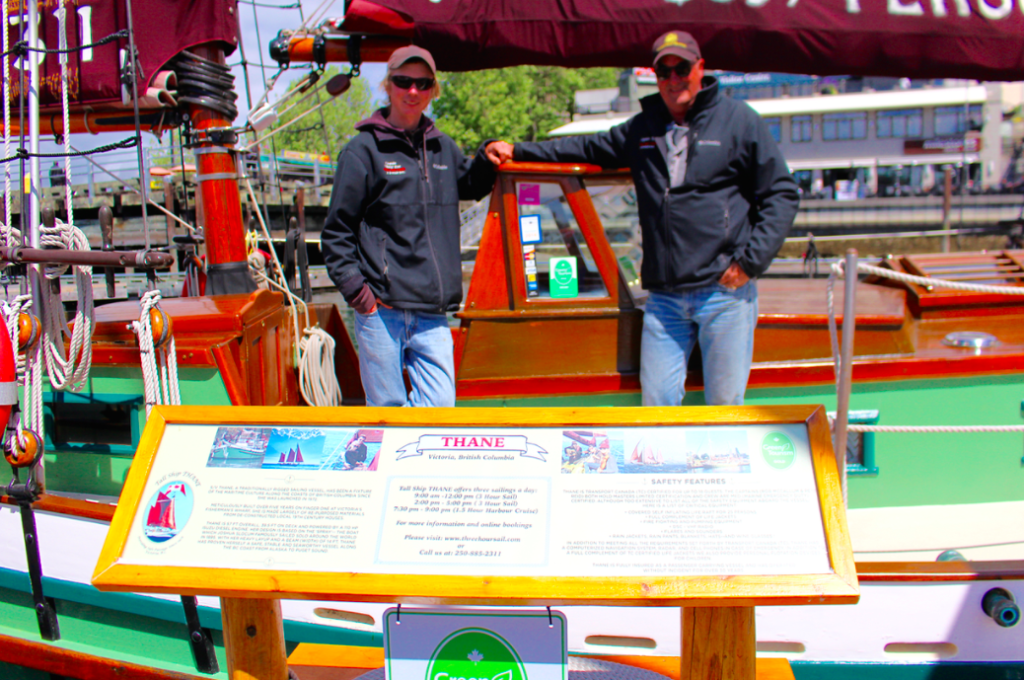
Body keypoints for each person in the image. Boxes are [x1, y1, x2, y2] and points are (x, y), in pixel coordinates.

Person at [485, 31, 799, 406]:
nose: (672, 79)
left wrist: (750, 263)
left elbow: (781, 193)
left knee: (725, 412)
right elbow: (585, 146)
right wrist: (516, 150)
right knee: (657, 408)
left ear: (700, 68)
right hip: (665, 298)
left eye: (681, 68)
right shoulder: (643, 127)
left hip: (724, 294)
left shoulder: (739, 121)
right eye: (662, 71)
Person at [322, 46, 496, 407]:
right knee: (386, 417)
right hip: (381, 310)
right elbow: (336, 233)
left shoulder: (444, 150)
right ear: (388, 85)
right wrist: (361, 296)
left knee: (440, 410)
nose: (412, 91)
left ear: (433, 89)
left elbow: (471, 184)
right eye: (403, 81)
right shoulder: (362, 151)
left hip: (432, 312)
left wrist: (489, 153)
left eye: (423, 83)